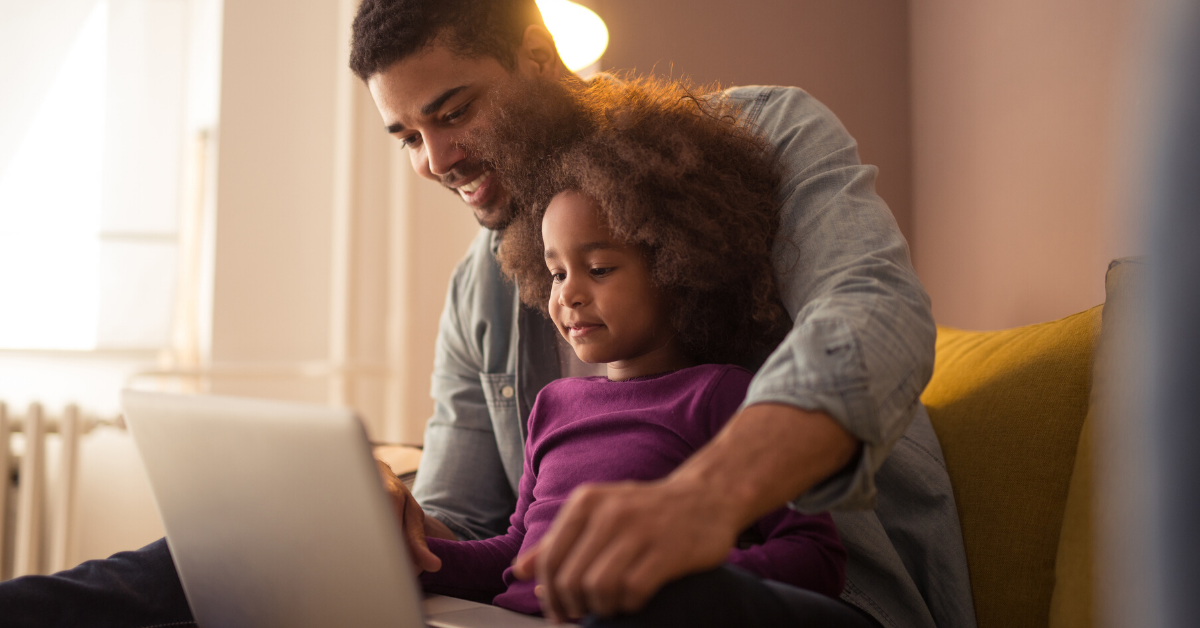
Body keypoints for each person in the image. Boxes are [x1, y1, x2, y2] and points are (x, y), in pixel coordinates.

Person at [0, 1, 974, 627]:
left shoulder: (767, 135)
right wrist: (391, 527)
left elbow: (874, 317)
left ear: (541, 57)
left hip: (835, 600)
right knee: (203, 567)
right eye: (406, 136)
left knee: (654, 597)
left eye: (454, 109)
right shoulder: (482, 283)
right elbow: (471, 516)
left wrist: (698, 502)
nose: (435, 160)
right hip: (548, 607)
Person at [414, 74, 871, 627]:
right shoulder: (553, 405)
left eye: (600, 269)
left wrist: (672, 569)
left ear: (678, 265)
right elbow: (515, 556)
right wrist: (410, 554)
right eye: (555, 273)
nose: (569, 293)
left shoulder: (721, 394)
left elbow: (816, 557)